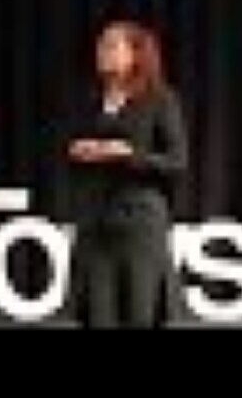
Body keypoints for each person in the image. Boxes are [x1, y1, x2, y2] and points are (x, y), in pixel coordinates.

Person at [63, 20, 189, 328]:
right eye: (100, 45)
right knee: (97, 314)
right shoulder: (90, 99)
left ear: (135, 54)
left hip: (139, 226)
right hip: (95, 224)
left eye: (111, 45)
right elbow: (70, 145)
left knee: (138, 313)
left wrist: (129, 154)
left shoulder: (159, 99)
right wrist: (79, 151)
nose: (101, 52)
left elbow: (177, 161)